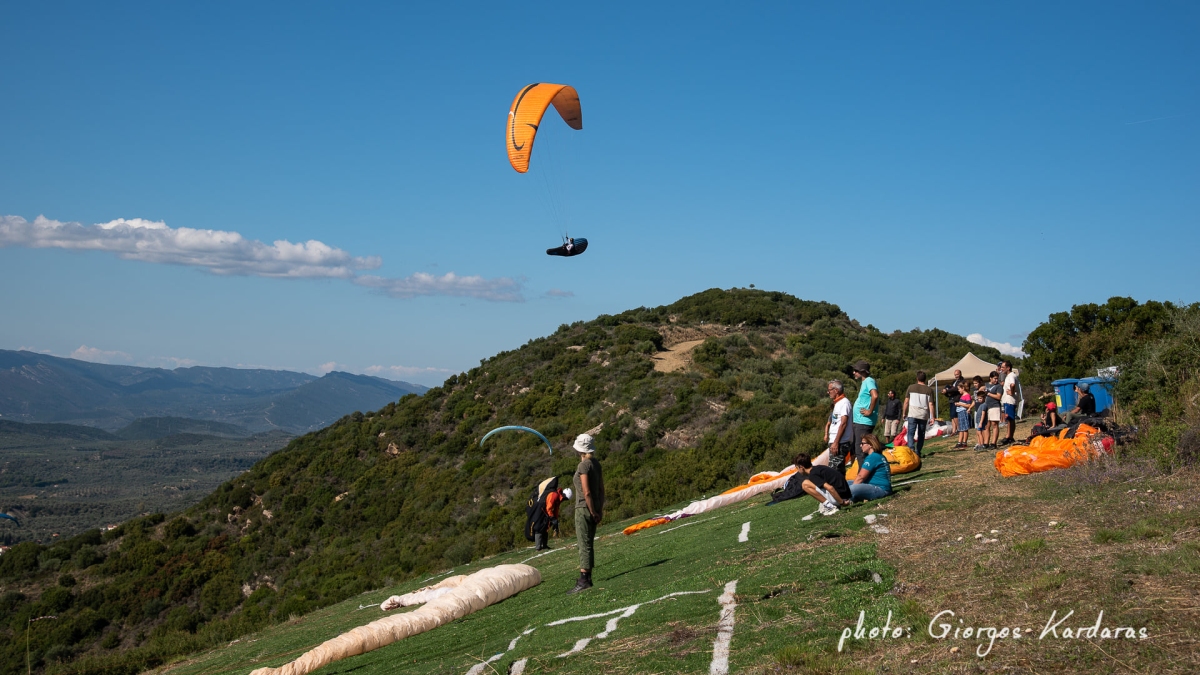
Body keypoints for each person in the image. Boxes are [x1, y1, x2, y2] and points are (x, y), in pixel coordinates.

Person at [568, 433, 604, 594]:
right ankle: (587, 577)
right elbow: (601, 489)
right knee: (589, 542)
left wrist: (590, 510)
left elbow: (586, 491)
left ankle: (584, 579)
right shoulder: (596, 464)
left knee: (583, 544)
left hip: (583, 508)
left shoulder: (583, 466)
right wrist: (598, 510)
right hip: (594, 507)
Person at [850, 361, 879, 467]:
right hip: (860, 421)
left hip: (863, 422)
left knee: (861, 450)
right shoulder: (865, 382)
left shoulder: (869, 381)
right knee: (859, 449)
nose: (854, 373)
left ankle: (864, 477)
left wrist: (869, 411)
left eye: (856, 371)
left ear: (862, 371)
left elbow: (874, 395)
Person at [850, 433, 892, 502]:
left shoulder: (873, 457)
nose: (860, 445)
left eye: (863, 443)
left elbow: (861, 477)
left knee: (851, 489)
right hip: (880, 487)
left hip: (880, 489)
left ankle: (847, 500)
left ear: (870, 445)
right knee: (845, 485)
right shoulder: (878, 456)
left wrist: (851, 490)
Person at [902, 371, 935, 457]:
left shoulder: (911, 387)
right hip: (923, 414)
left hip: (913, 413)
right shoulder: (929, 390)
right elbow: (931, 404)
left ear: (917, 378)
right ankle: (918, 451)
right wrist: (932, 417)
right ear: (925, 379)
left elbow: (906, 402)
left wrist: (904, 413)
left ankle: (911, 449)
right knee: (921, 433)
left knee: (910, 433)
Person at [823, 380, 854, 471]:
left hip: (840, 442)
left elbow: (843, 423)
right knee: (838, 470)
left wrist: (836, 442)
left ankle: (838, 485)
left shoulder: (844, 403)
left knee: (834, 470)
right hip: (835, 441)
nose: (828, 392)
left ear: (836, 390)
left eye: (829, 390)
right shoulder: (837, 403)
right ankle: (842, 485)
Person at [999, 360, 1020, 445]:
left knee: (1010, 419)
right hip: (1008, 400)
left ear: (1008, 368)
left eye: (1003, 367)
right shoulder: (1008, 376)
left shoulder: (1011, 375)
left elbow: (1012, 384)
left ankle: (1009, 437)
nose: (1001, 369)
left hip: (1009, 401)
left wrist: (1011, 392)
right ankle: (1009, 436)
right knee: (1010, 420)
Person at [983, 371, 1003, 450]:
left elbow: (998, 397)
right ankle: (986, 442)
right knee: (987, 425)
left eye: (997, 378)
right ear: (990, 378)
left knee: (994, 424)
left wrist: (988, 394)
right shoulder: (986, 385)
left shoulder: (999, 386)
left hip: (995, 406)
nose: (996, 380)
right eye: (994, 378)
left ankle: (993, 443)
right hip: (987, 406)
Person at [942, 369, 965, 433]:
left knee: (954, 415)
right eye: (955, 375)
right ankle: (954, 431)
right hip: (952, 399)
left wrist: (947, 391)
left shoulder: (962, 381)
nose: (956, 376)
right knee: (952, 416)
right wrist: (946, 390)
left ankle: (959, 429)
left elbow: (956, 389)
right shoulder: (954, 381)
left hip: (957, 399)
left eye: (957, 374)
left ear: (960, 374)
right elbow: (952, 388)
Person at [954, 382, 972, 449]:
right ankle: (959, 442)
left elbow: (968, 405)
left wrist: (960, 404)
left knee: (964, 428)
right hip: (960, 412)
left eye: (959, 389)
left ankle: (964, 442)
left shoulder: (967, 395)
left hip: (964, 412)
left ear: (963, 388)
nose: (958, 390)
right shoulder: (962, 395)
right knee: (961, 428)